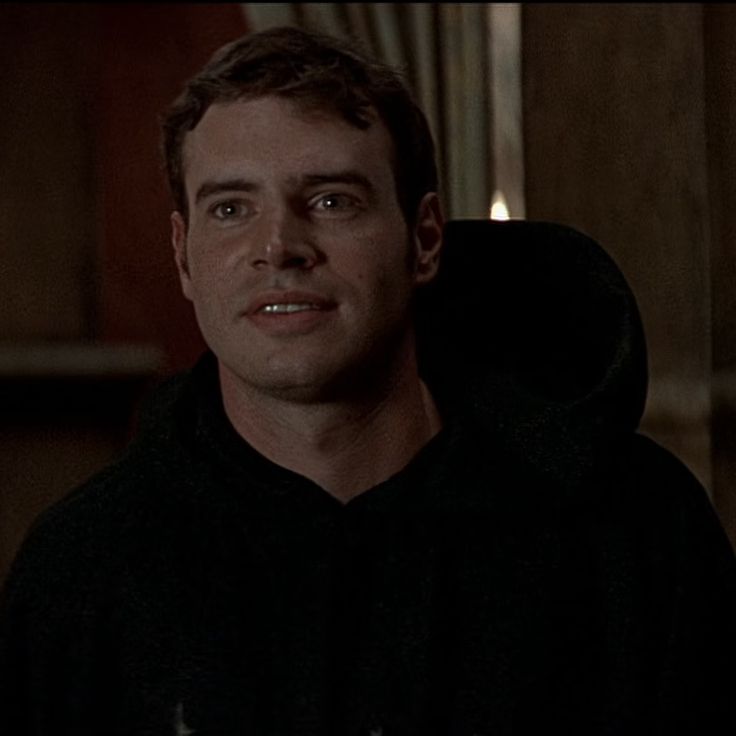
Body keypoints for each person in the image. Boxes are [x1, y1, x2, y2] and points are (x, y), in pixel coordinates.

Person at [1, 24, 735, 736]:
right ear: (183, 255)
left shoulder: (636, 531)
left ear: (424, 239)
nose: (279, 247)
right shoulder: (83, 571)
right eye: (230, 208)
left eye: (331, 201)